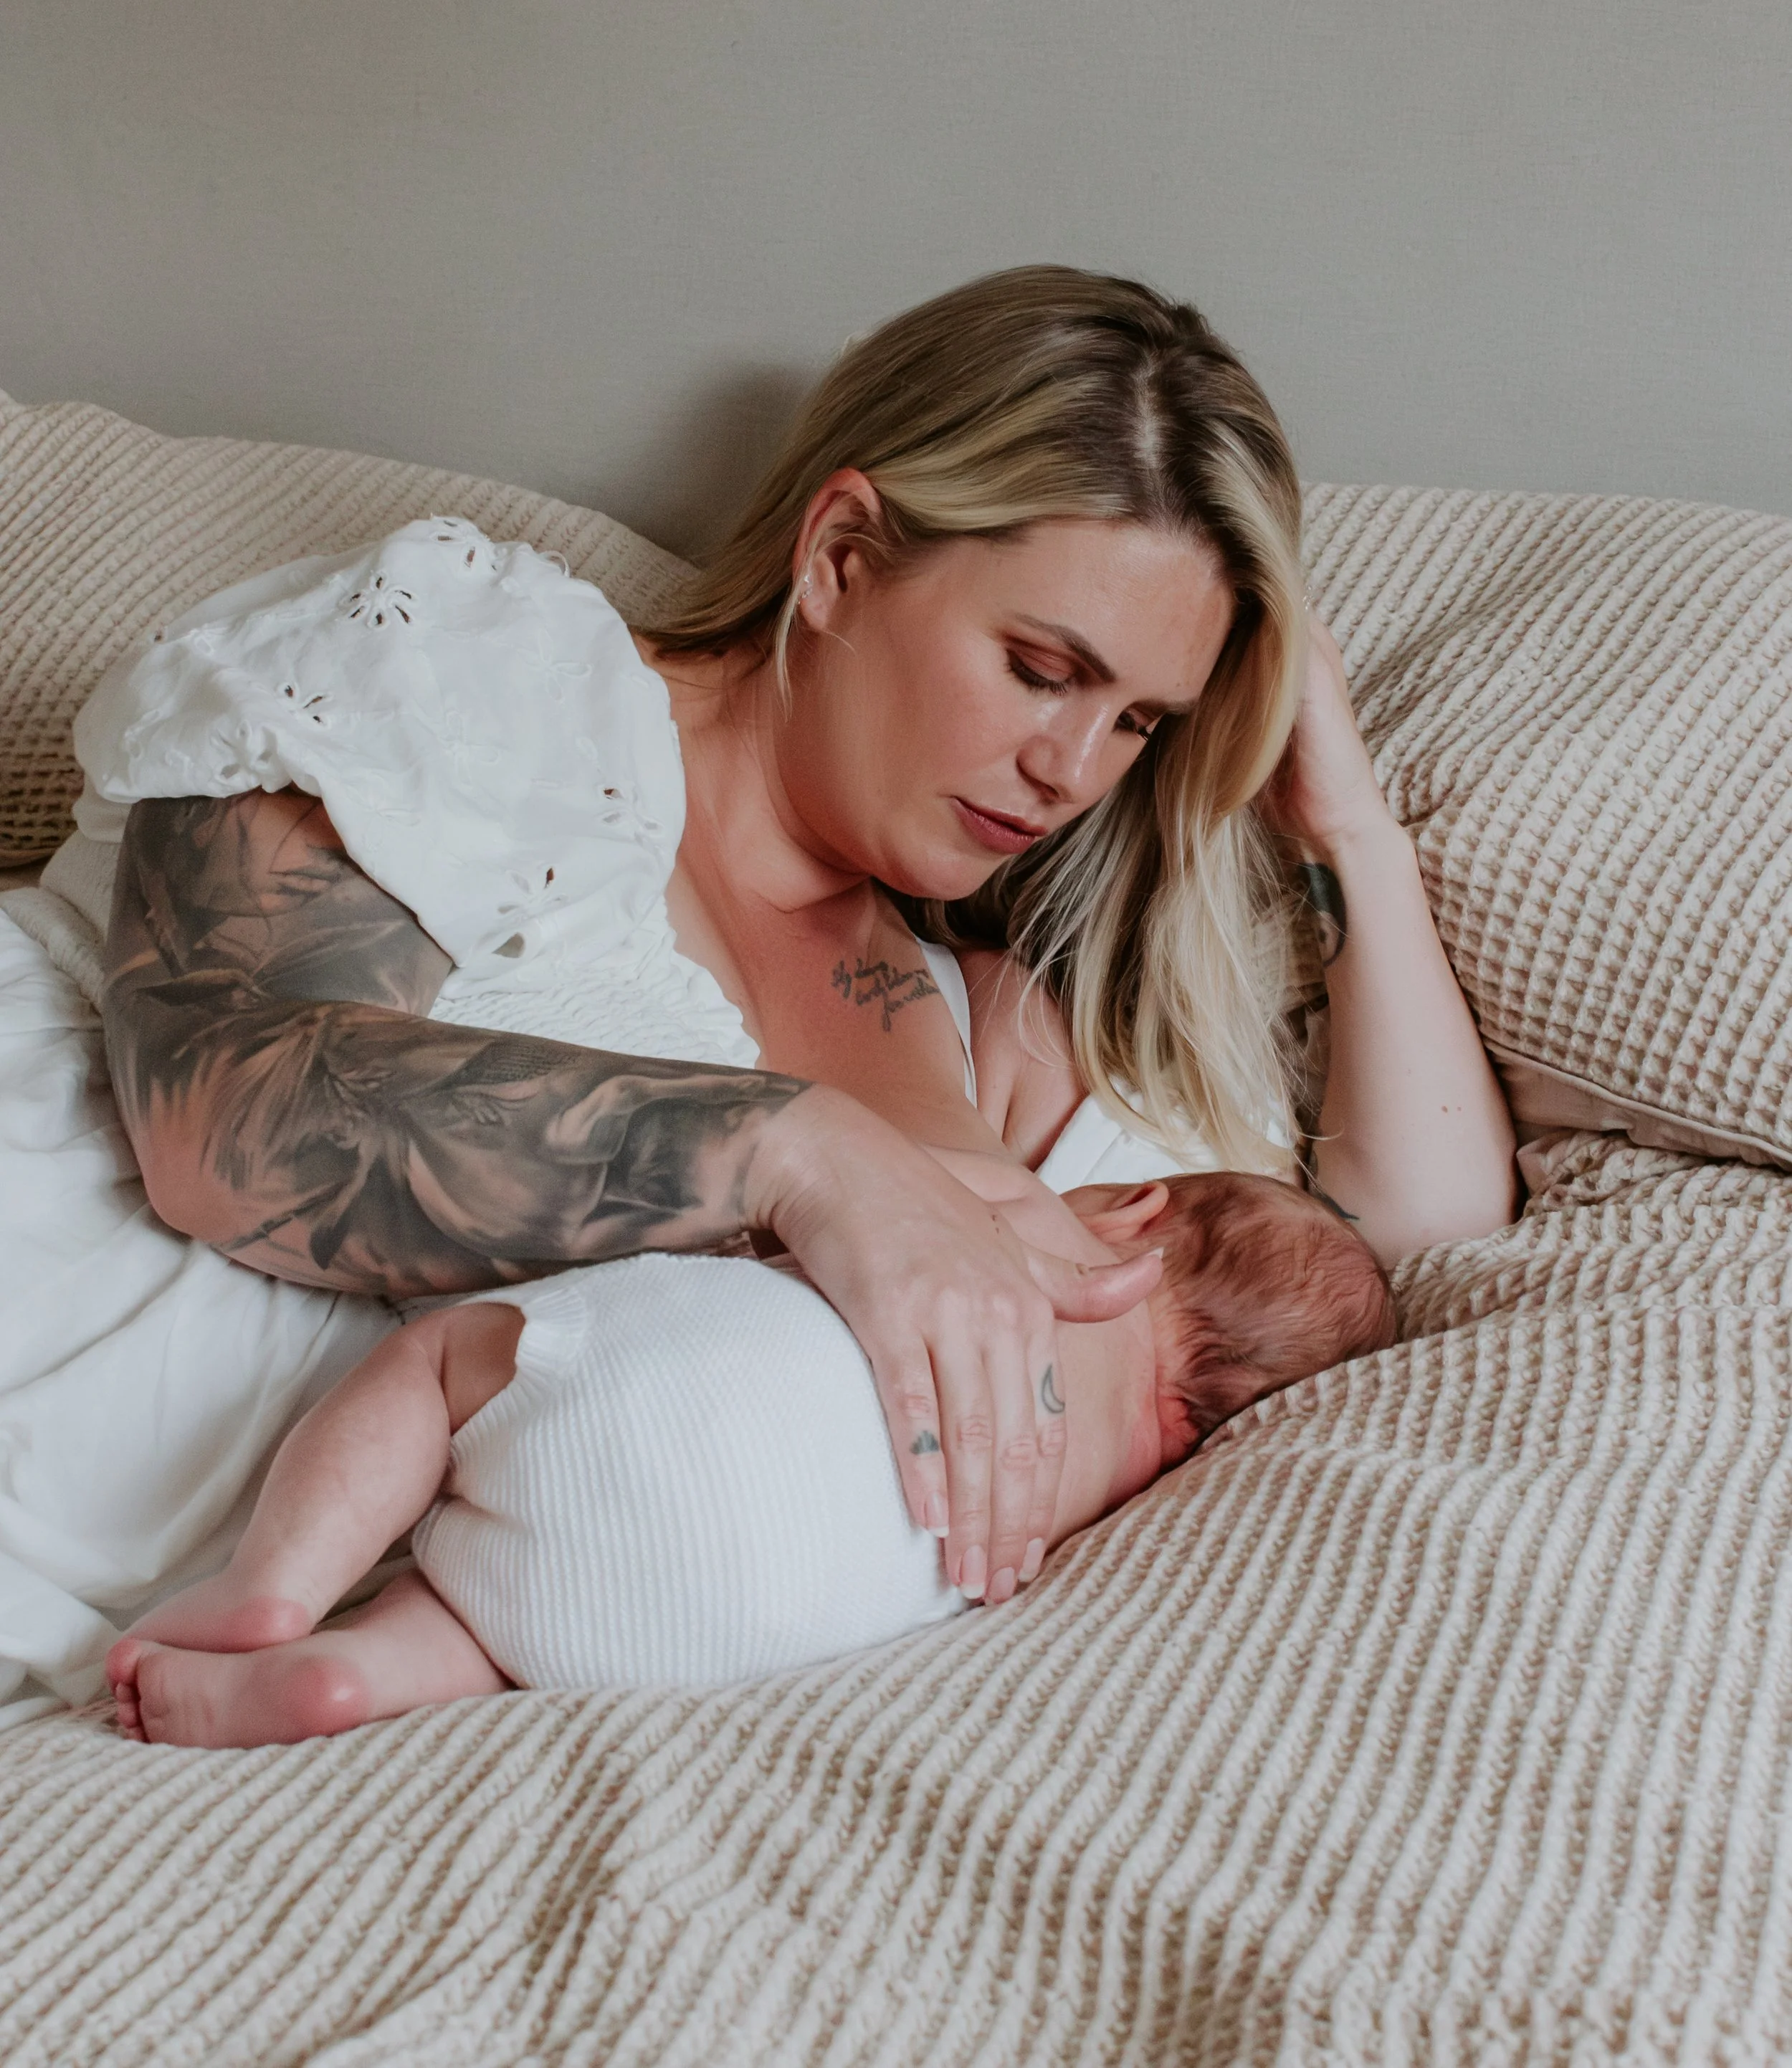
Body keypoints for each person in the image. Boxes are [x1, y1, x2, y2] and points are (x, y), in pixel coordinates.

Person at [90, 267, 1516, 1620]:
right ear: (840, 557)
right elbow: (218, 1117)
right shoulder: (480, 666)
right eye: (1038, 671)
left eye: (1140, 722)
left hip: (244, 1626)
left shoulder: (982, 1023)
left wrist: (1342, 825)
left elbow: (1415, 1249)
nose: (1072, 768)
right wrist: (794, 1151)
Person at [107, 1163, 1396, 1748]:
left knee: (442, 1365)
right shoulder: (1100, 1506)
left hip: (674, 1400)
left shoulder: (1023, 1213)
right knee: (492, 1624)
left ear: (1136, 1208)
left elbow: (830, 1189)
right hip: (716, 1628)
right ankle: (354, 1675)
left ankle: (281, 1579)